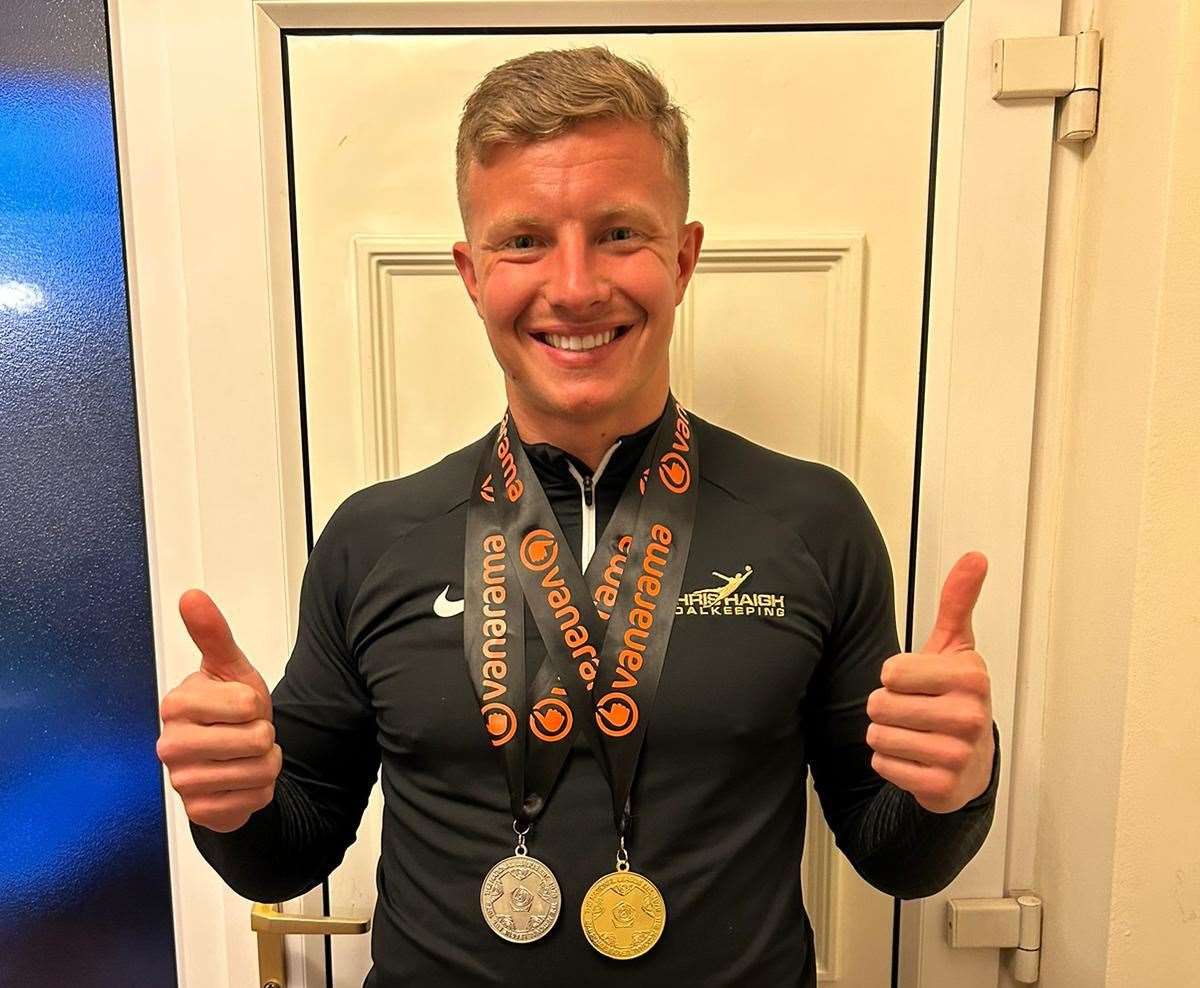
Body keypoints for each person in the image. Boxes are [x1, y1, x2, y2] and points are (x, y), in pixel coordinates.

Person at [156, 46, 1000, 986]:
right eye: (524, 241)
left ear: (682, 258)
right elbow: (290, 851)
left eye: (619, 234)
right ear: (473, 274)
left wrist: (954, 789)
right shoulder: (372, 536)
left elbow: (895, 858)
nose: (574, 286)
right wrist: (231, 807)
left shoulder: (813, 521)